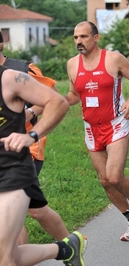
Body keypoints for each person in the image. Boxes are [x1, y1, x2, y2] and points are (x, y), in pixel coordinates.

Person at [65, 21, 129, 242]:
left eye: (83, 37)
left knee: (114, 176)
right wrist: (59, 101)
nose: (79, 42)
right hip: (91, 128)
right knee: (104, 181)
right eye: (75, 38)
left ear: (96, 37)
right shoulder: (72, 64)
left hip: (116, 123)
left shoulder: (113, 59)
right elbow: (74, 94)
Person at [0, 31, 79, 246]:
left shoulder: (22, 70)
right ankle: (70, 246)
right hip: (3, 154)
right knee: (26, 212)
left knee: (26, 213)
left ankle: (66, 247)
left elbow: (53, 97)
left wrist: (31, 113)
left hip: (27, 149)